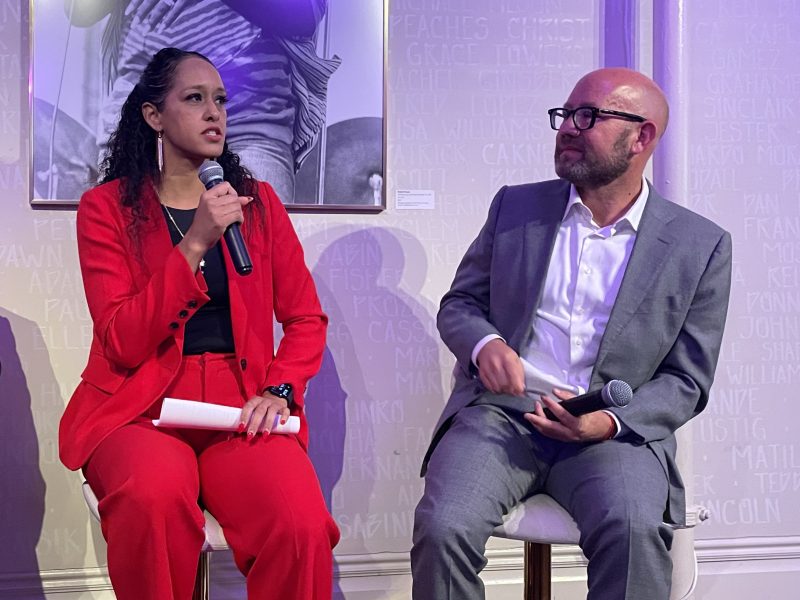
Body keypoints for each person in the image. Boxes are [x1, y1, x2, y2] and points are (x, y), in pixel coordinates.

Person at [411, 68, 732, 599]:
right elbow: (462, 303)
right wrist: (486, 344)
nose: (567, 128)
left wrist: (607, 422)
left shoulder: (700, 245)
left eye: (588, 117)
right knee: (444, 527)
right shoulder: (515, 207)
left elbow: (687, 380)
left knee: (633, 534)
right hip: (502, 416)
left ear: (642, 137)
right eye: (565, 115)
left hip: (611, 432)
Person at [58, 47, 339, 599]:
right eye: (194, 99)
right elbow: (122, 339)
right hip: (141, 408)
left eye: (220, 101)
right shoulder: (106, 209)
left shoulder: (258, 205)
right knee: (152, 499)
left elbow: (306, 318)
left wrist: (281, 388)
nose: (214, 113)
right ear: (154, 116)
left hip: (239, 405)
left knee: (298, 523)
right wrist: (193, 244)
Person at [63, 0, 339, 204]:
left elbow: (304, 15)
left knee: (256, 251)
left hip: (246, 117)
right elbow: (80, 11)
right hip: (146, 113)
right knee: (133, 248)